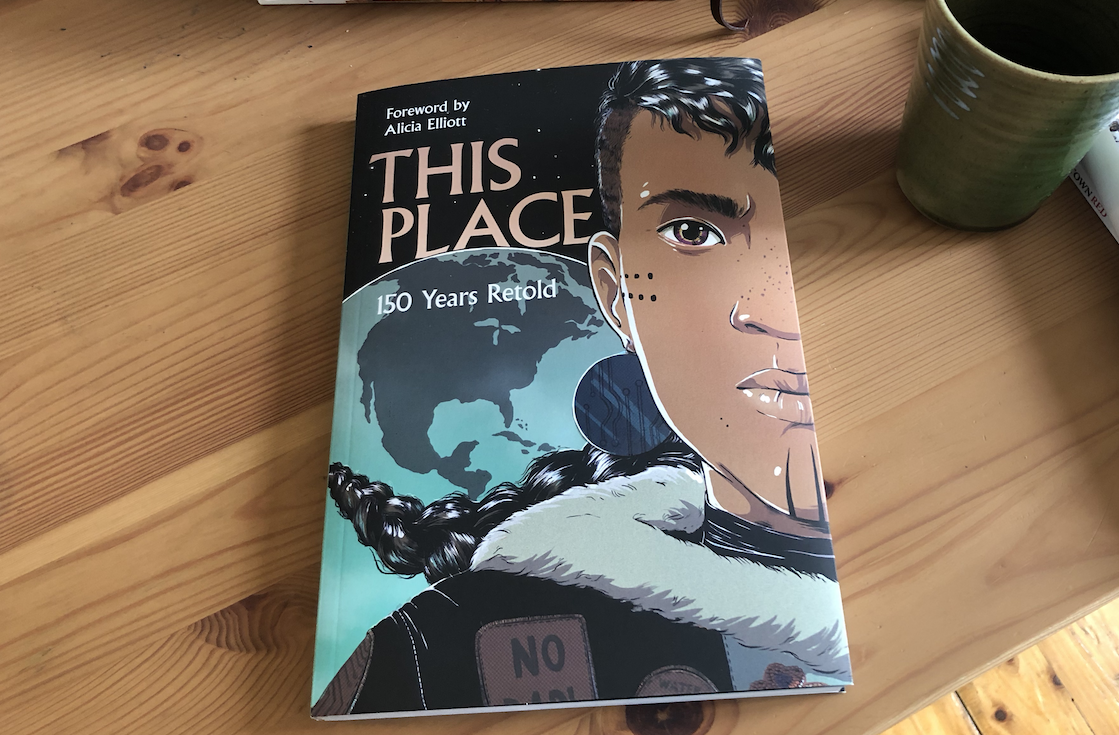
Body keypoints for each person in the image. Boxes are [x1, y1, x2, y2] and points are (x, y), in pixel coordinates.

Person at [313, 58, 849, 717]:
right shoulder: (432, 647)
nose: (768, 310)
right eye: (692, 232)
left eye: (775, 242)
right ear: (614, 293)